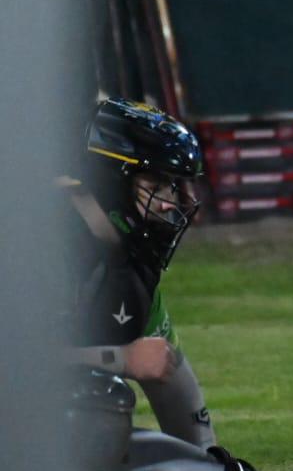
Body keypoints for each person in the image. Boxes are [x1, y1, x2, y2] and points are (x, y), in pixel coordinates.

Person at [64, 98, 216, 449]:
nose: (170, 204)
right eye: (155, 186)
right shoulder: (42, 247)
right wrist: (120, 359)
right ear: (110, 183)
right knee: (96, 401)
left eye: (172, 188)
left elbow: (172, 379)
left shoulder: (128, 268)